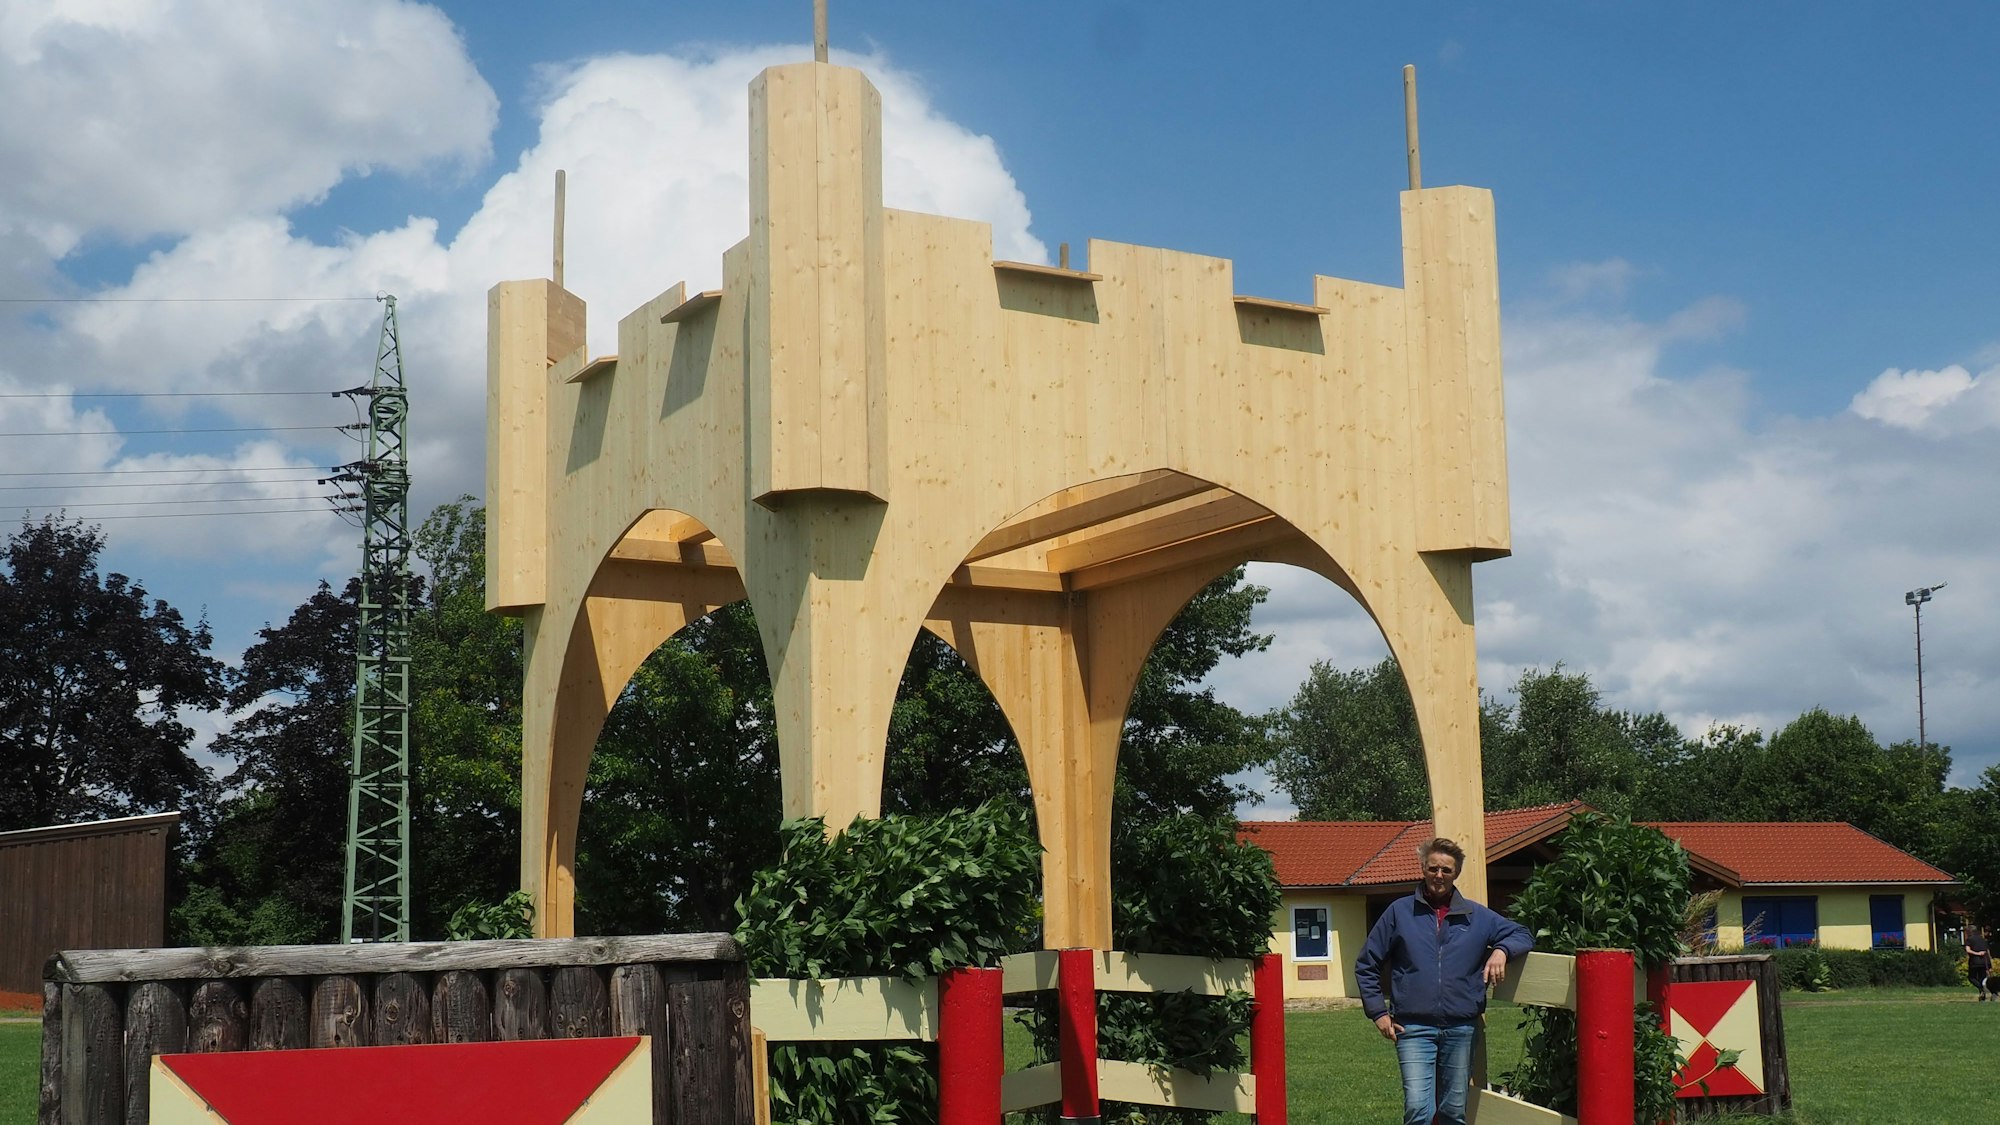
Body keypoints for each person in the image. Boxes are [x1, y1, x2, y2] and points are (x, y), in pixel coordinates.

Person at [1355, 837, 1534, 1125]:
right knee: (1417, 1109)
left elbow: (1523, 934)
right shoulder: (1399, 912)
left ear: (1456, 873)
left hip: (1461, 1027)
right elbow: (1367, 964)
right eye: (1433, 868)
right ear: (1423, 869)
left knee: (1453, 1111)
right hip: (1412, 1027)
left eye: (1446, 870)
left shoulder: (1477, 916)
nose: (1439, 875)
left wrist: (1501, 950)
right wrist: (1377, 1013)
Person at [1967, 924, 1992, 1001]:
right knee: (1981, 978)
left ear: (1970, 931)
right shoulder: (1983, 939)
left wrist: (1977, 953)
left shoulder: (1969, 939)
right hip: (1985, 961)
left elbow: (1968, 950)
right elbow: (1988, 951)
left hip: (1975, 961)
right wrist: (1990, 964)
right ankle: (1982, 996)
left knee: (1971, 977)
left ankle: (1981, 990)